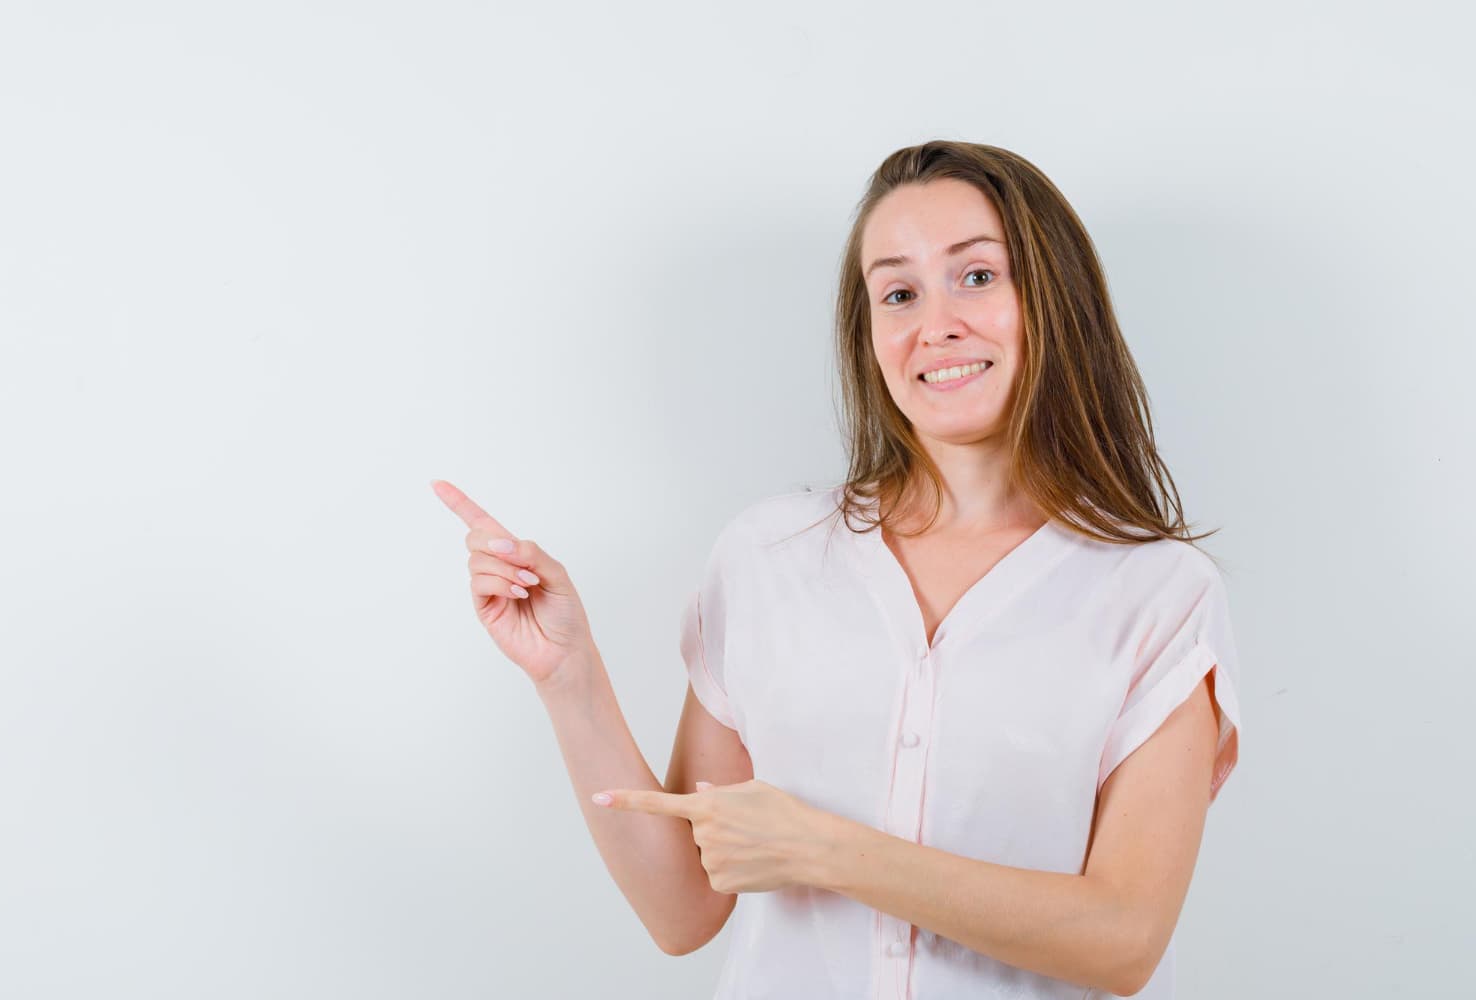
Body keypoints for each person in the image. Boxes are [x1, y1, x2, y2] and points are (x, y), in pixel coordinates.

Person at [432, 139, 1242, 1000]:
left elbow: (1124, 939)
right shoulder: (767, 557)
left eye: (976, 277)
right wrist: (569, 674)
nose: (937, 325)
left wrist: (827, 851)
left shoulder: (1159, 596)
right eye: (898, 292)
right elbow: (682, 909)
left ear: (1053, 297)